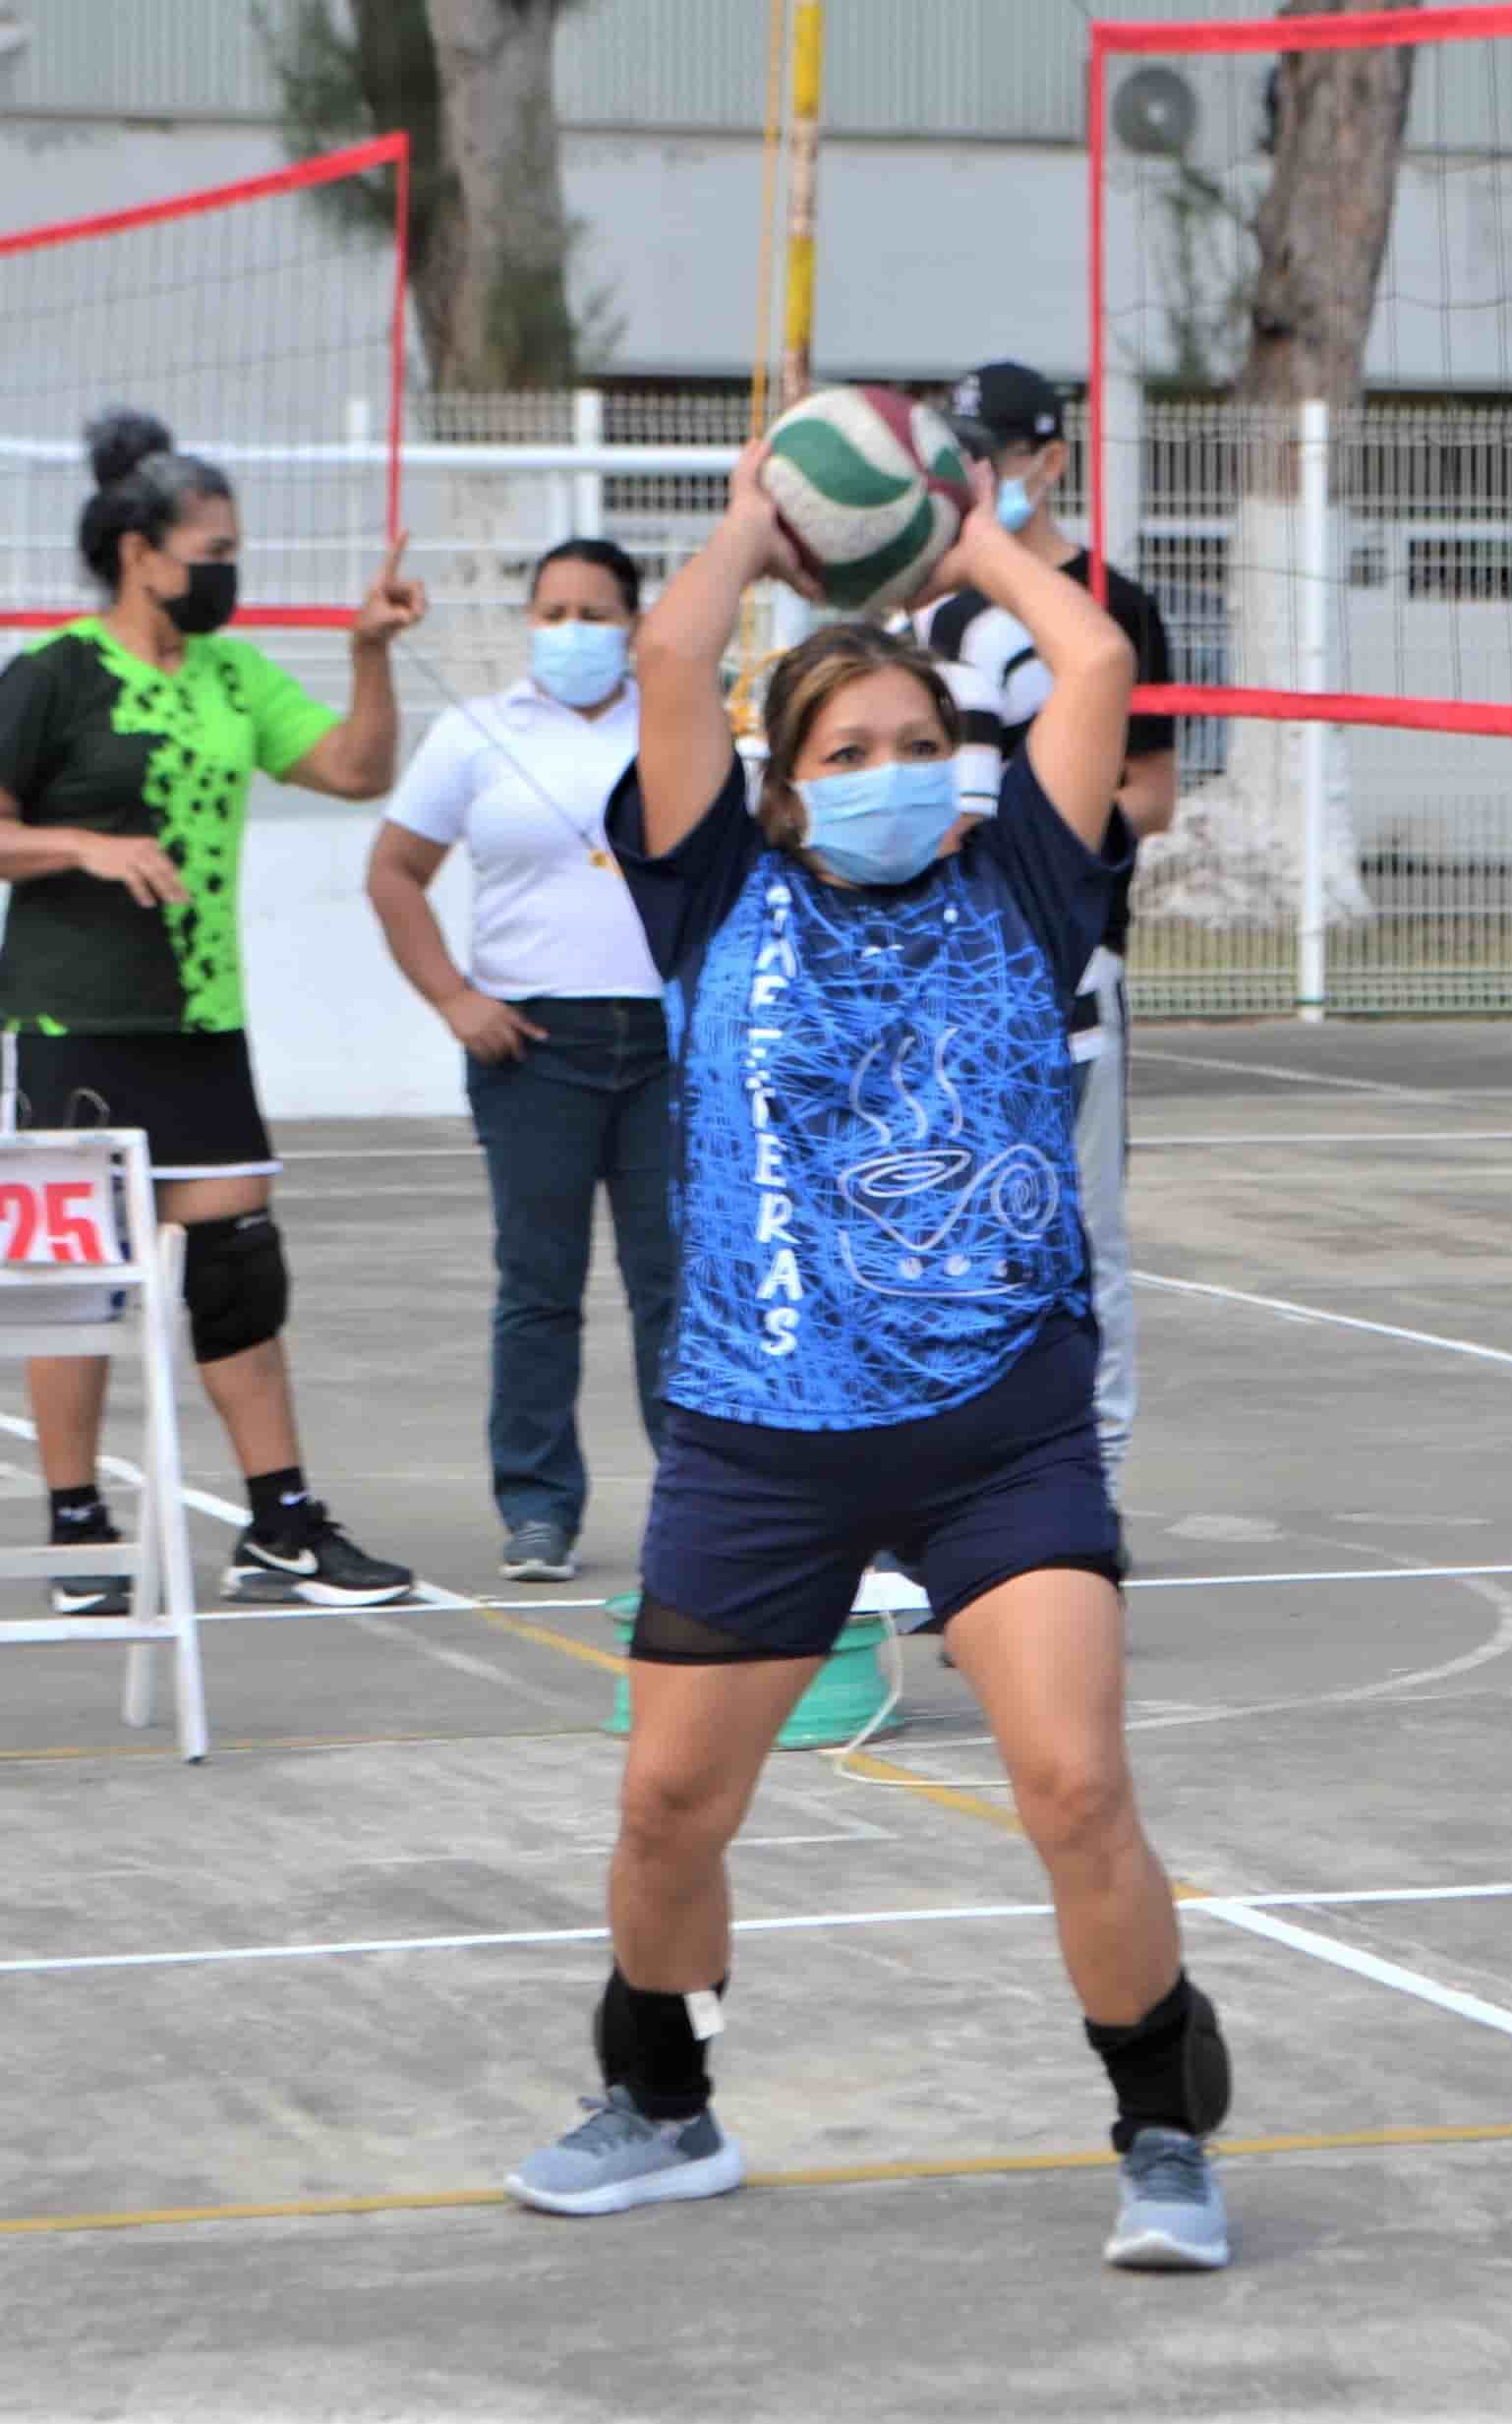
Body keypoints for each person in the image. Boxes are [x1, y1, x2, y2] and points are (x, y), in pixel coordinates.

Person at [501, 443, 1234, 2275]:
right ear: (782, 789)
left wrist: (963, 533)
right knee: (670, 1802)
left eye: (923, 742)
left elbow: (1090, 671)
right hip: (760, 1438)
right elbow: (675, 665)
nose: (898, 775)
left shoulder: (1029, 883)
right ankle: (664, 2105)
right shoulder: (711, 897)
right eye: (850, 753)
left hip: (1001, 1433)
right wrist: (763, 518)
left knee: (1071, 1782)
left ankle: (1161, 2133)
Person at [0, 407, 432, 1610]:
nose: (226, 574)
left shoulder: (232, 673)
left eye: (234, 553)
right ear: (139, 552)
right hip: (69, 1024)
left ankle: (281, 1524)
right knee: (76, 1283)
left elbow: (358, 772)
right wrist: (80, 849)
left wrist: (369, 653)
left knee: (238, 1273)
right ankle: (77, 1528)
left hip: (201, 1024)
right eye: (211, 553)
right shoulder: (56, 673)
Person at [366, 539, 672, 1584]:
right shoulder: (475, 732)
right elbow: (396, 871)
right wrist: (456, 996)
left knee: (673, 1283)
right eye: (554, 610)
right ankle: (538, 1504)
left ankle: (698, 1496)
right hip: (532, 1047)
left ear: (635, 621)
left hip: (667, 1049)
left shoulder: (683, 725)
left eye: (596, 611)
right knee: (538, 1285)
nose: (574, 630)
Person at [919, 362, 1179, 1501]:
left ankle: (1091, 1483)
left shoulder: (1112, 609)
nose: (969, 473)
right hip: (933, 976)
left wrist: (1027, 847)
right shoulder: (917, 607)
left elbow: (1153, 793)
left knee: (1077, 1240)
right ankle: (933, 1482)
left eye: (987, 452)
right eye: (953, 450)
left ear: (1045, 462)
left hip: (1071, 968)